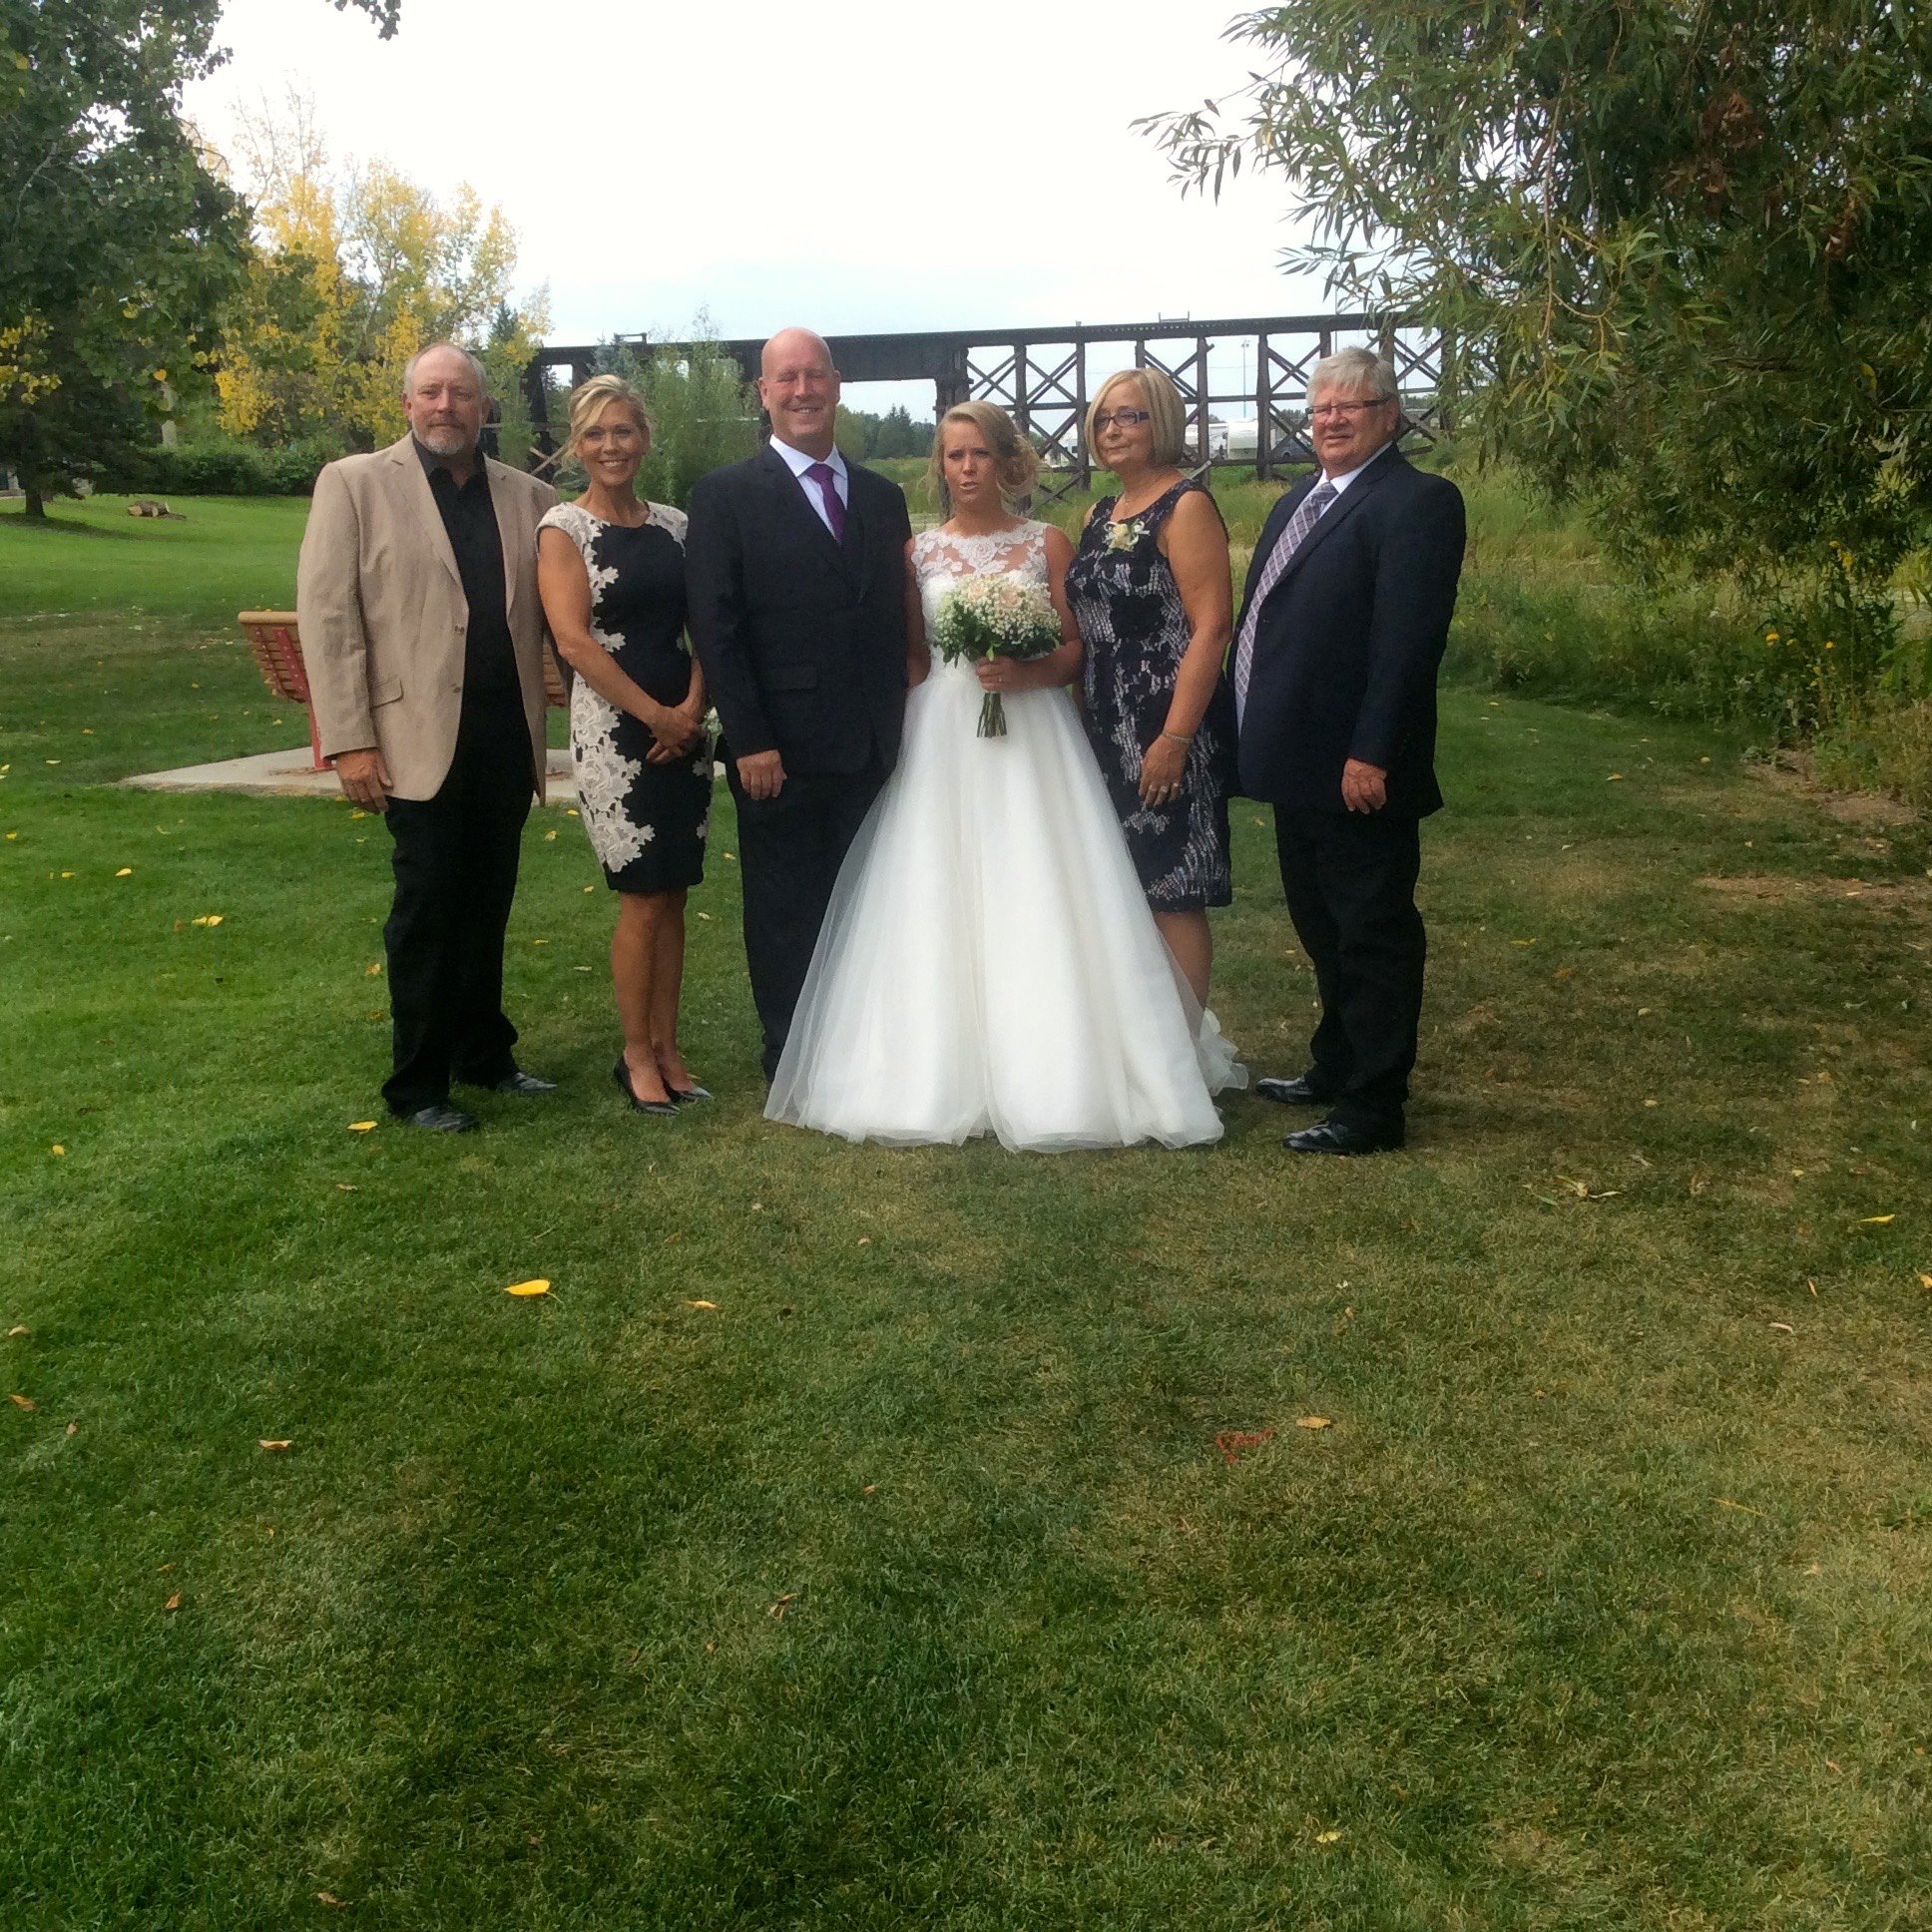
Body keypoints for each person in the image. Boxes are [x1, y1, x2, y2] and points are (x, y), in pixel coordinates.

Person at [766, 401, 1240, 1152]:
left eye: (979, 454)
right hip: (944, 739)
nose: (966, 469)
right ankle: (930, 1068)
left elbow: (1077, 649)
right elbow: (915, 655)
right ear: (941, 466)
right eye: (953, 456)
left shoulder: (1047, 542)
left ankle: (1065, 1062)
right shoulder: (918, 554)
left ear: (1005, 461)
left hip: (1033, 734)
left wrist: (1029, 671)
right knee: (936, 891)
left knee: (1040, 881)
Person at [297, 343, 560, 1132]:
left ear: (485, 407)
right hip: (412, 740)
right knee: (427, 912)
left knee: (488, 905)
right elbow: (329, 617)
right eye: (432, 392)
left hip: (504, 736)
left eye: (461, 393)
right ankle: (418, 1085)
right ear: (408, 404)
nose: (447, 406)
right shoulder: (354, 484)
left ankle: (484, 1055)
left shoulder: (532, 497)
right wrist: (349, 741)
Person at [1232, 347, 1466, 1154]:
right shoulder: (1299, 499)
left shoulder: (1418, 502)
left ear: (1389, 416)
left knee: (1371, 932)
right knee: (1320, 924)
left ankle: (1372, 1105)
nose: (1331, 420)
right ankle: (1334, 1064)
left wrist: (1374, 752)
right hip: (1296, 763)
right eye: (1320, 408)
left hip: (1355, 768)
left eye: (1350, 406)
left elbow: (1407, 643)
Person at [684, 327, 914, 1081]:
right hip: (778, 748)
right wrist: (749, 738)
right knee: (787, 908)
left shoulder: (882, 497)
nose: (802, 390)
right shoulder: (724, 496)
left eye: (814, 375)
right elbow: (716, 628)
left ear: (837, 385)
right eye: (786, 378)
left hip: (876, 743)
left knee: (875, 900)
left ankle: (872, 1043)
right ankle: (791, 1052)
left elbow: (899, 619)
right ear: (764, 393)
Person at [536, 375, 712, 1119]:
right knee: (641, 896)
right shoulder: (562, 529)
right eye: (596, 434)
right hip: (614, 730)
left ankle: (669, 1049)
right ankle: (635, 1054)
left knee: (674, 894)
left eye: (624, 431)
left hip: (684, 724)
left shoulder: (676, 525)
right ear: (577, 445)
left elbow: (709, 624)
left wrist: (691, 710)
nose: (611, 446)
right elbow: (574, 642)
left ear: (645, 437)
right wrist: (655, 717)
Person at [1064, 367, 1236, 1009]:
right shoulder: (1098, 514)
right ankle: (1140, 1031)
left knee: (1173, 886)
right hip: (1104, 722)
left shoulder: (1185, 507)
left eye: (1129, 416)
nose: (1112, 430)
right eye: (1103, 419)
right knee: (1122, 884)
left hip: (1166, 720)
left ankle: (1183, 1046)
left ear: (1159, 422)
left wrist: (1176, 737)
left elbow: (1212, 627)